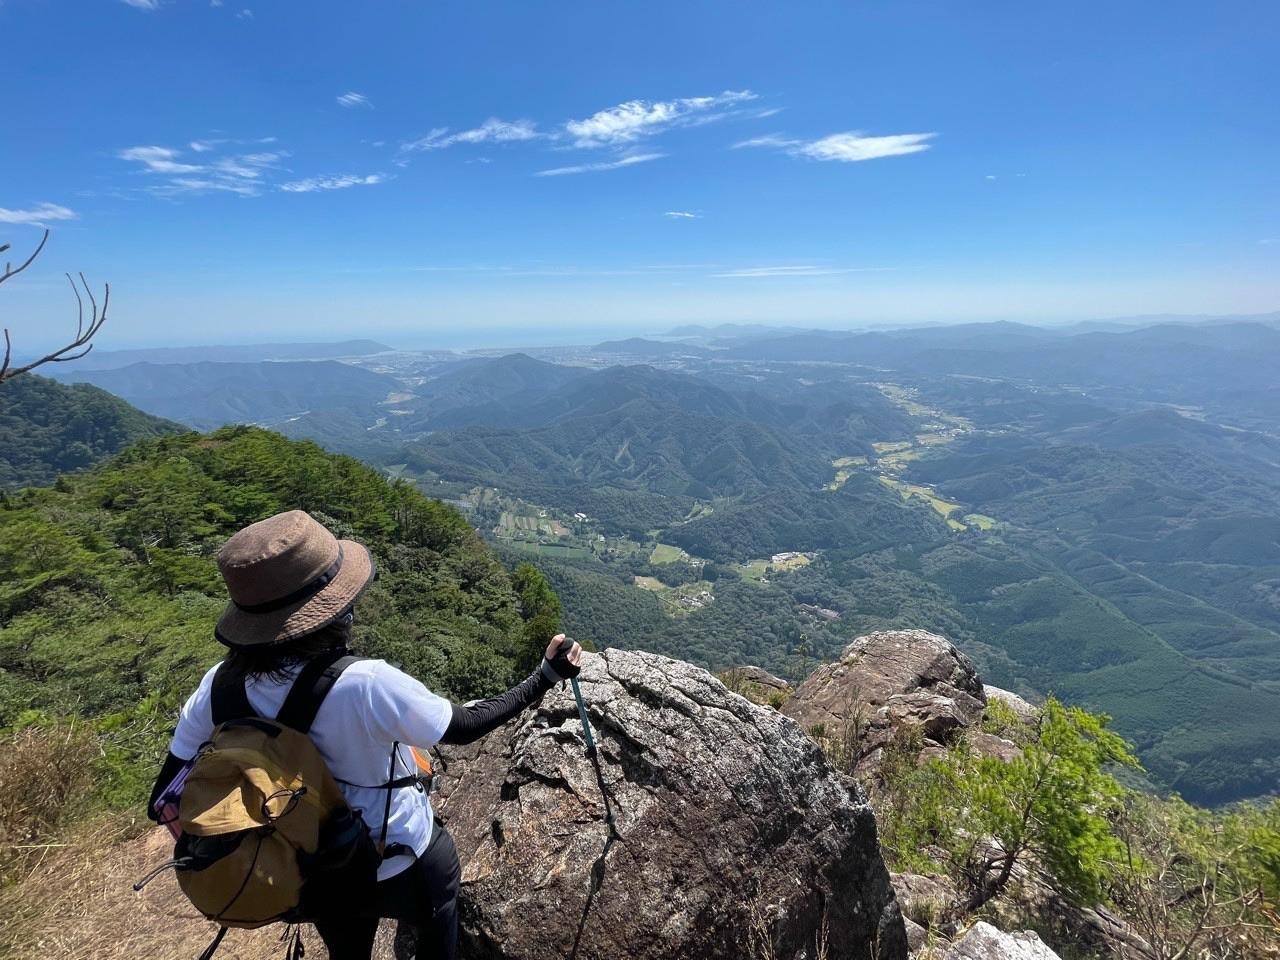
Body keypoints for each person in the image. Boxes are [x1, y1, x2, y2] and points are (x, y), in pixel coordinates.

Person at [146, 509, 582, 960]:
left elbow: (163, 799)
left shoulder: (218, 685)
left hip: (309, 868)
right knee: (440, 905)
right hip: (398, 858)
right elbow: (466, 726)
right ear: (336, 612)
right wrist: (545, 675)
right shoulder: (364, 683)